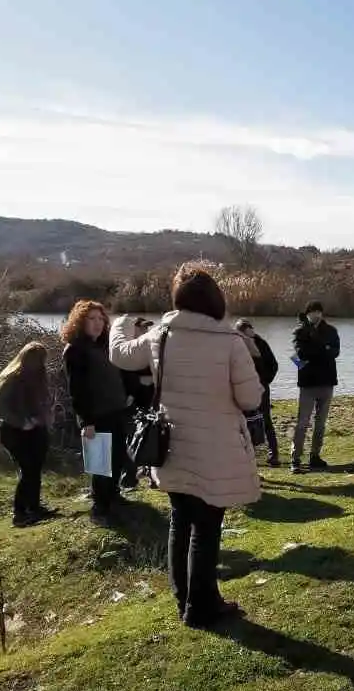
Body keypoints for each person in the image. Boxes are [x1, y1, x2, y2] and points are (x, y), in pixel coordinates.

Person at [110, 265, 264, 628]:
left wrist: (120, 322)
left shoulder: (160, 336)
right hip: (216, 448)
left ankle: (186, 600)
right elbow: (250, 397)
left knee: (181, 521)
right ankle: (201, 607)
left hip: (172, 444)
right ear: (215, 299)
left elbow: (119, 354)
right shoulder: (230, 342)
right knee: (207, 528)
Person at [61, 299, 132, 520]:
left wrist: (128, 394)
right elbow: (77, 390)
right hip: (95, 415)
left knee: (118, 457)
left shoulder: (106, 345)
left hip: (116, 411)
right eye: (91, 319)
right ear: (80, 321)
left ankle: (113, 495)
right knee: (100, 464)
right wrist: (86, 422)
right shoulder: (74, 350)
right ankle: (100, 507)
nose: (97, 323)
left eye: (101, 318)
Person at [0, 341, 56, 527]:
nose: (40, 363)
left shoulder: (40, 377)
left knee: (35, 469)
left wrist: (46, 415)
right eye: (37, 359)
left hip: (37, 430)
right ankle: (19, 513)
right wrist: (22, 422)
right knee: (27, 470)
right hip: (15, 432)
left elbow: (42, 401)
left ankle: (34, 508)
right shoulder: (12, 378)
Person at [292, 301, 340, 473]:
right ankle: (295, 458)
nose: (315, 315)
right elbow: (301, 354)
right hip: (307, 384)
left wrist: (318, 349)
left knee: (320, 423)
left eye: (318, 311)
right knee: (302, 423)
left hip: (327, 382)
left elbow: (335, 353)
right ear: (307, 314)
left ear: (322, 313)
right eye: (312, 312)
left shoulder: (331, 331)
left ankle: (315, 456)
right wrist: (322, 349)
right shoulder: (299, 331)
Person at [235, 318, 281, 467]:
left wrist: (264, 381)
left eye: (248, 330)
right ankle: (248, 455)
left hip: (260, 387)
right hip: (244, 388)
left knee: (266, 420)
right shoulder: (236, 345)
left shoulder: (261, 343)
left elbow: (273, 365)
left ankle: (273, 454)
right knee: (244, 421)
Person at [118, 315, 157, 488]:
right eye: (141, 327)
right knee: (132, 438)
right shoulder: (125, 349)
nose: (145, 331)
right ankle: (129, 476)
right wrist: (137, 385)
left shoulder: (150, 346)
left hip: (151, 400)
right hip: (131, 402)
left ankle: (151, 475)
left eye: (146, 328)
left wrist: (148, 380)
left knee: (153, 437)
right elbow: (124, 375)